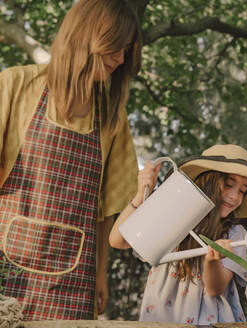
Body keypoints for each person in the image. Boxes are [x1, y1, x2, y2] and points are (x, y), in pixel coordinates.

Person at [0, 0, 142, 320]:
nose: (120, 59)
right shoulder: (16, 84)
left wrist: (101, 272)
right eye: (115, 47)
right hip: (5, 271)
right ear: (86, 36)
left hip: (75, 280)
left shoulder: (111, 117)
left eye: (126, 51)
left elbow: (106, 208)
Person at [109, 144, 247, 325]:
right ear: (207, 182)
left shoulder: (235, 235)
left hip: (212, 322)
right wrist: (141, 193)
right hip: (162, 320)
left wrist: (212, 262)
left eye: (242, 191)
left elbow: (216, 289)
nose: (234, 196)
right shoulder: (174, 218)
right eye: (229, 185)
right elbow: (118, 240)